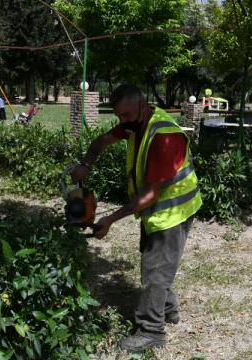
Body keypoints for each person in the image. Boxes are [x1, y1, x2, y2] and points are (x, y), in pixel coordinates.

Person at [71, 84, 202, 352]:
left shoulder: (165, 137)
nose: (122, 122)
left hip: (173, 211)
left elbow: (149, 196)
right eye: (118, 116)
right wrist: (86, 164)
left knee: (154, 270)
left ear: (142, 106)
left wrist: (109, 219)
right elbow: (102, 141)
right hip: (157, 211)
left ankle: (151, 331)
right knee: (156, 262)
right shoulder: (135, 123)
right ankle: (168, 309)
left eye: (126, 115)